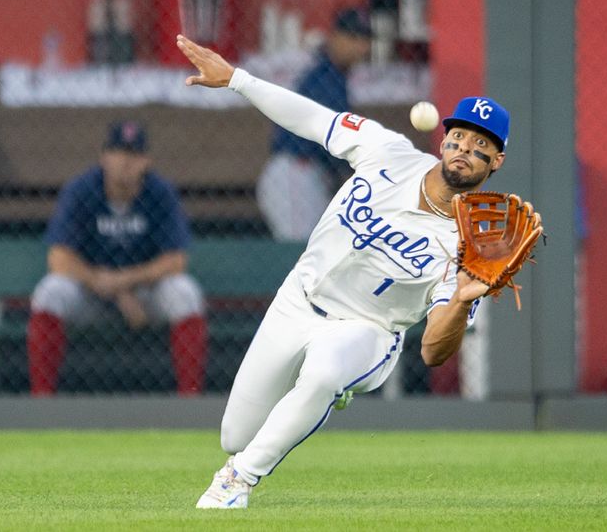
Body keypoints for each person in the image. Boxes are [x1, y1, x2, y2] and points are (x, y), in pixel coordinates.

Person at [176, 34, 509, 509]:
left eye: (481, 146)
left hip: (367, 329)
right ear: (445, 137)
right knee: (235, 433)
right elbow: (313, 119)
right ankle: (318, 398)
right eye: (460, 136)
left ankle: (237, 482)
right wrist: (238, 80)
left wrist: (460, 298)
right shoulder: (387, 151)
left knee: (324, 373)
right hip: (299, 298)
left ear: (496, 162)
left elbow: (435, 351)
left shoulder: (469, 246)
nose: (464, 149)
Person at [26, 121, 208, 395]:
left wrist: (122, 283)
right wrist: (102, 284)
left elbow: (176, 261)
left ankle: (190, 399)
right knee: (50, 291)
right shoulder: (82, 189)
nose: (125, 162)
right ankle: (41, 401)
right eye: (118, 152)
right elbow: (58, 257)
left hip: (145, 296)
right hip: (91, 292)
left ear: (146, 161)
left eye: (134, 155)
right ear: (104, 157)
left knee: (185, 293)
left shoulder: (160, 192)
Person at [256, 7, 372, 241]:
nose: (360, 47)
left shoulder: (333, 75)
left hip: (309, 177)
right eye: (352, 38)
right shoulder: (324, 78)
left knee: (319, 249)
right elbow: (332, 141)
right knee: (303, 251)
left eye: (364, 39)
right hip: (294, 176)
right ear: (335, 37)